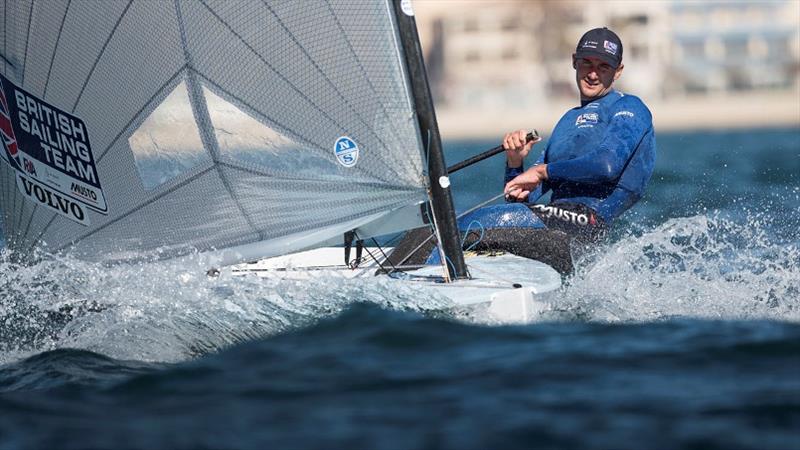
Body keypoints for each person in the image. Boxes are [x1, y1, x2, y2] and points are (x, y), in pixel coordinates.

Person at [499, 27, 656, 271]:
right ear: (574, 62)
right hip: (551, 223)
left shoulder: (629, 107)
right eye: (586, 63)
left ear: (618, 72)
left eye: (603, 67)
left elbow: (607, 166)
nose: (593, 74)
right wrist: (515, 163)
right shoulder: (567, 121)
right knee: (499, 219)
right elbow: (518, 202)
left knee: (495, 222)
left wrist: (542, 171)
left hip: (588, 223)